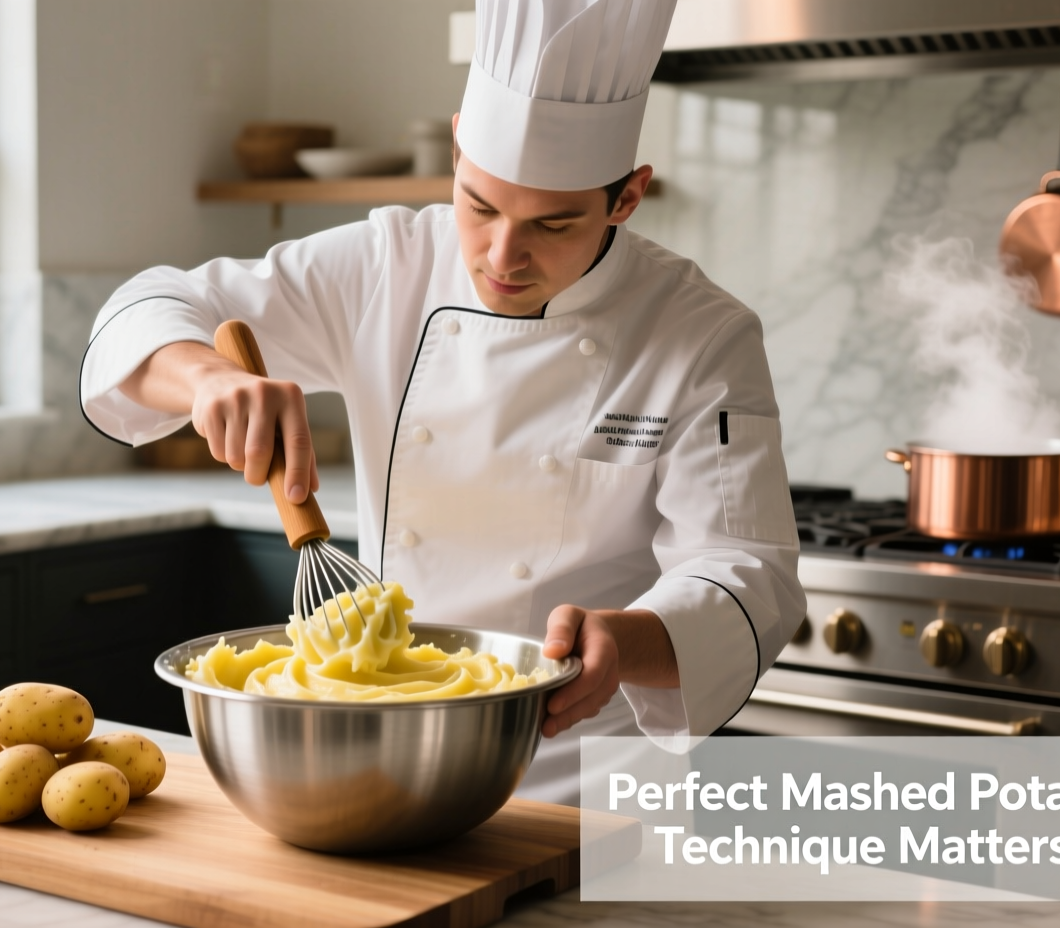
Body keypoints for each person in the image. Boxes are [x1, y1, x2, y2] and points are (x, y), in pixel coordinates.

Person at [80, 0, 806, 806]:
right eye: (480, 206)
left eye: (555, 225)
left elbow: (747, 571)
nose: (503, 258)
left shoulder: (701, 334)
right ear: (458, 145)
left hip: (579, 781)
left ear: (627, 198)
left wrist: (630, 639)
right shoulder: (387, 264)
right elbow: (150, 306)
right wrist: (207, 379)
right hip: (386, 757)